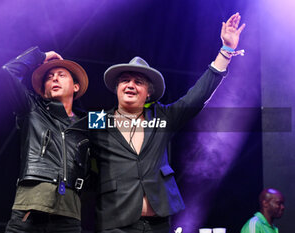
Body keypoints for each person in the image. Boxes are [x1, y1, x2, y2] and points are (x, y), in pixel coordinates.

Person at [90, 13, 245, 232]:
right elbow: (67, 131)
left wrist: (226, 51)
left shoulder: (162, 117)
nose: (130, 85)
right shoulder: (99, 121)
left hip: (158, 223)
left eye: (138, 81)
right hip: (115, 223)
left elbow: (197, 96)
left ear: (148, 93)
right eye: (124, 80)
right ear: (116, 89)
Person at [0, 46, 90, 233]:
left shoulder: (88, 122)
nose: (54, 78)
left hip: (69, 214)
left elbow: (122, 121)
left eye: (61, 75)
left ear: (76, 86)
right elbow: (7, 72)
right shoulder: (31, 109)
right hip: (30, 208)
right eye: (49, 77)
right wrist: (39, 56)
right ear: (43, 90)